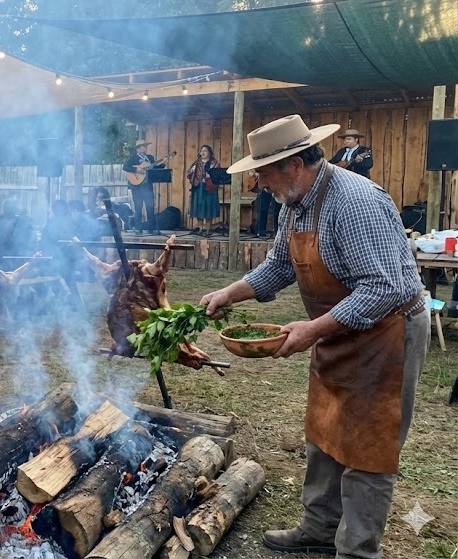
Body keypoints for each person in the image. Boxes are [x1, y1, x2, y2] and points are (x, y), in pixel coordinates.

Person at [200, 114, 428, 559]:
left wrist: (312, 330)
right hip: (337, 332)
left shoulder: (355, 202)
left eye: (264, 172)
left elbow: (384, 288)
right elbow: (279, 266)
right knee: (323, 432)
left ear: (294, 165)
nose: (260, 182)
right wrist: (231, 292)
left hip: (387, 334)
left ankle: (357, 551)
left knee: (368, 449)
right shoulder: (295, 203)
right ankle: (320, 528)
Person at [122, 141, 164, 235]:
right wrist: (137, 170)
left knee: (150, 207)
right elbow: (125, 167)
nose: (146, 148)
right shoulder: (133, 158)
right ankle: (138, 228)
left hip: (147, 185)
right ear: (138, 149)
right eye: (144, 147)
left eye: (146, 146)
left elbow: (154, 168)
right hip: (136, 186)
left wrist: (162, 164)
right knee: (138, 207)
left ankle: (151, 229)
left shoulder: (149, 158)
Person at [0, 199, 35, 270]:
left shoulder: (1, 222)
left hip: (4, 262)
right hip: (22, 262)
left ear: (3, 210)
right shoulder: (24, 221)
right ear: (16, 209)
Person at [186, 145, 221, 237]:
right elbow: (188, 173)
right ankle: (201, 228)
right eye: (201, 151)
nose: (202, 153)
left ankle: (208, 229)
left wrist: (210, 177)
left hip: (209, 188)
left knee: (209, 208)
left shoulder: (214, 163)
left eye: (205, 151)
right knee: (199, 207)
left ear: (209, 152)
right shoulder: (197, 162)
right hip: (198, 187)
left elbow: (218, 176)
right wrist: (192, 170)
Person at [250, 170, 282, 239]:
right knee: (263, 207)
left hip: (277, 181)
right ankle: (261, 231)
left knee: (277, 208)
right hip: (266, 181)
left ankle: (277, 231)